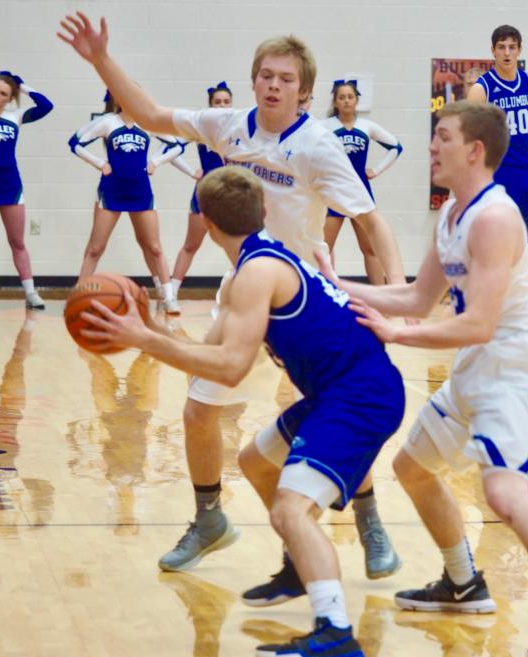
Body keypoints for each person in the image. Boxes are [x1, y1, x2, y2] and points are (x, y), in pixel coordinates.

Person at [58, 12, 405, 583]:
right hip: (244, 292)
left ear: (306, 91)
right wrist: (100, 59)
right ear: (253, 81)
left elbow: (372, 222)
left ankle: (368, 518)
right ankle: (209, 518)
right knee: (198, 410)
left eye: (286, 79)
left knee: (330, 409)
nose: (273, 85)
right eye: (266, 75)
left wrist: (388, 295)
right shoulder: (228, 127)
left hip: (304, 303)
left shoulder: (319, 147)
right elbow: (148, 113)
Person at [318, 100, 528, 657]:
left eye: (443, 138)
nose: (432, 147)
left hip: (514, 368)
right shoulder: (453, 213)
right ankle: (462, 582)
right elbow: (415, 296)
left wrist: (396, 334)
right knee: (412, 467)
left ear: (474, 150)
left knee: (503, 491)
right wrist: (335, 282)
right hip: (477, 368)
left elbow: (477, 323)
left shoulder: (497, 217)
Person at [78, 166, 405, 657]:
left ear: (205, 225)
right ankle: (301, 564)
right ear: (265, 211)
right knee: (255, 461)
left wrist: (142, 339)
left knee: (292, 510)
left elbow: (231, 367)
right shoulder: (252, 266)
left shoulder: (256, 274)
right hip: (341, 390)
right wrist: (150, 328)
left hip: (360, 396)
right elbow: (208, 357)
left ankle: (336, 632)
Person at [467, 25, 528, 344]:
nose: (507, 52)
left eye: (512, 47)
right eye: (501, 47)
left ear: (519, 50)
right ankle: (488, 314)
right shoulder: (481, 89)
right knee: (498, 249)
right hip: (499, 173)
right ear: (492, 51)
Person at [68, 90, 181, 314]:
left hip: (140, 191)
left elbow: (177, 145)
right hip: (112, 191)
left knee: (154, 246)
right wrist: (100, 163)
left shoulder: (148, 123)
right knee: (96, 247)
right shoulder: (108, 122)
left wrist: (155, 162)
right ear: (119, 98)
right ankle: (79, 295)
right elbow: (75, 143)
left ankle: (169, 297)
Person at [0, 71, 53, 309]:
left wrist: (23, 85)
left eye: (3, 93)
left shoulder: (16, 117)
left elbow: (46, 105)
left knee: (17, 242)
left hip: (10, 185)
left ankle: (30, 293)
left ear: (10, 98)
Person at [152, 81, 233, 300]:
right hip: (205, 194)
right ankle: (171, 295)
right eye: (217, 102)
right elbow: (170, 148)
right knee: (191, 245)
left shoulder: (240, 128)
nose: (222, 106)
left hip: (233, 195)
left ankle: (246, 294)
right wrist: (189, 171)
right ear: (210, 105)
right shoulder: (200, 128)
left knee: (240, 246)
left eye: (226, 102)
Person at [322, 79, 403, 284]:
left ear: (357, 100)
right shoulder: (324, 126)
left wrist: (376, 170)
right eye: (342, 97)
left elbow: (396, 147)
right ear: (335, 102)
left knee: (370, 248)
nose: (347, 101)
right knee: (324, 248)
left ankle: (381, 296)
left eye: (350, 97)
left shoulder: (367, 126)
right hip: (334, 191)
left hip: (360, 191)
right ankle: (326, 297)